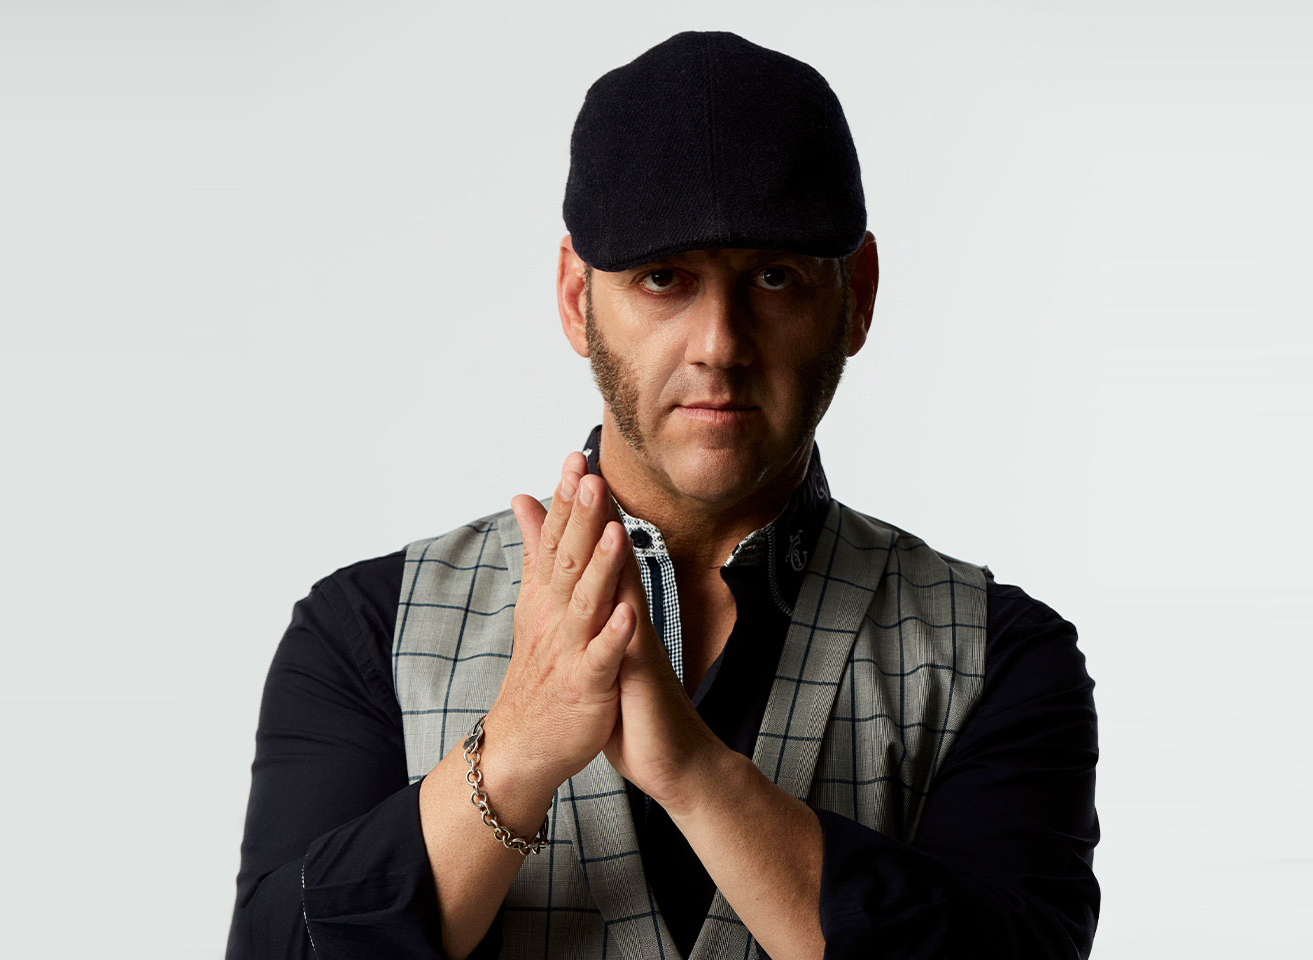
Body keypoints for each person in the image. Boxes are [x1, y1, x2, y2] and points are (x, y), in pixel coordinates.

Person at [225, 30, 1100, 960]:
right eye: (662, 279)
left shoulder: (997, 656)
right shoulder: (366, 630)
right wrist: (517, 749)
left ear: (858, 295)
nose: (719, 343)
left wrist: (694, 775)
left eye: (773, 277)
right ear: (577, 299)